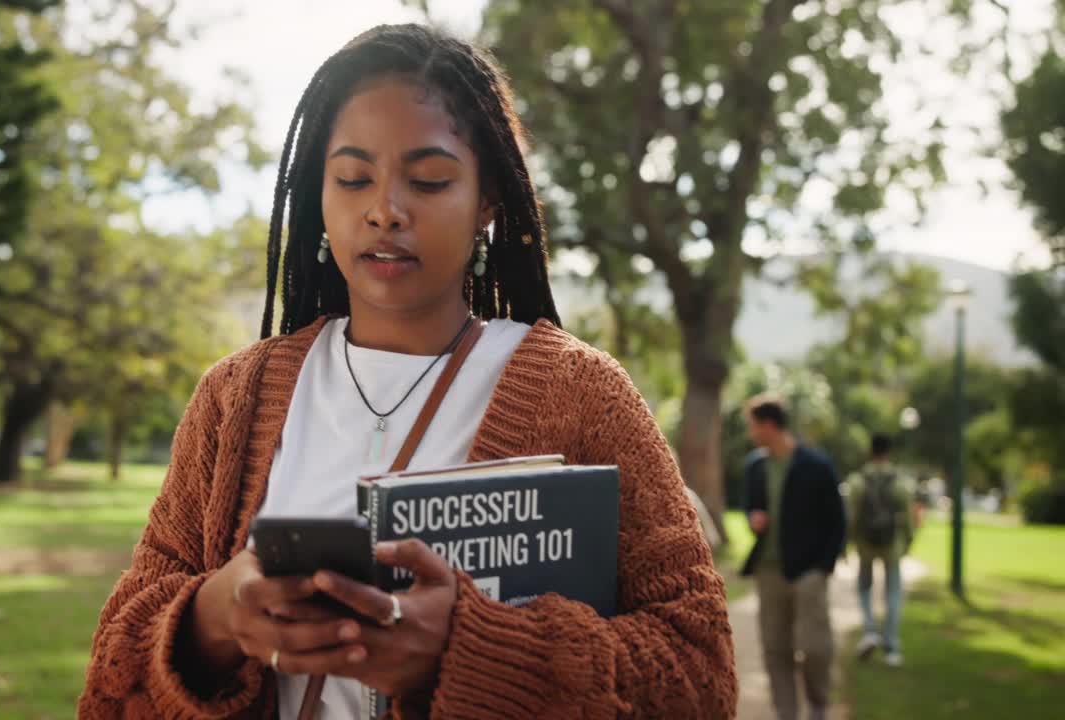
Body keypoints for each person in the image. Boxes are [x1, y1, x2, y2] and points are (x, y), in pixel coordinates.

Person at [77, 24, 736, 720]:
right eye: (353, 178)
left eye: (428, 180)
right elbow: (113, 678)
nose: (385, 209)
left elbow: (699, 673)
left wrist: (473, 651)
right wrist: (211, 620)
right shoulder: (234, 398)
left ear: (487, 202)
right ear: (318, 198)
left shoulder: (583, 395)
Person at [740, 395, 846, 720]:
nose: (751, 433)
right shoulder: (755, 466)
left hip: (808, 571)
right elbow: (751, 506)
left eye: (754, 426)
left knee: (814, 646)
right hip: (768, 570)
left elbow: (837, 521)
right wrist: (753, 518)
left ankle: (818, 704)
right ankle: (786, 713)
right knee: (775, 648)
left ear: (770, 425)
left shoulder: (817, 466)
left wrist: (823, 568)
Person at [847, 433, 915, 667]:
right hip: (891, 544)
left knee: (864, 588)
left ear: (870, 451)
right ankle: (891, 646)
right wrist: (908, 542)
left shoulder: (858, 480)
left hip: (865, 544)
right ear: (889, 452)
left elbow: (852, 516)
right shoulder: (899, 480)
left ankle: (869, 631)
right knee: (893, 592)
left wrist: (849, 542)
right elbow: (907, 518)